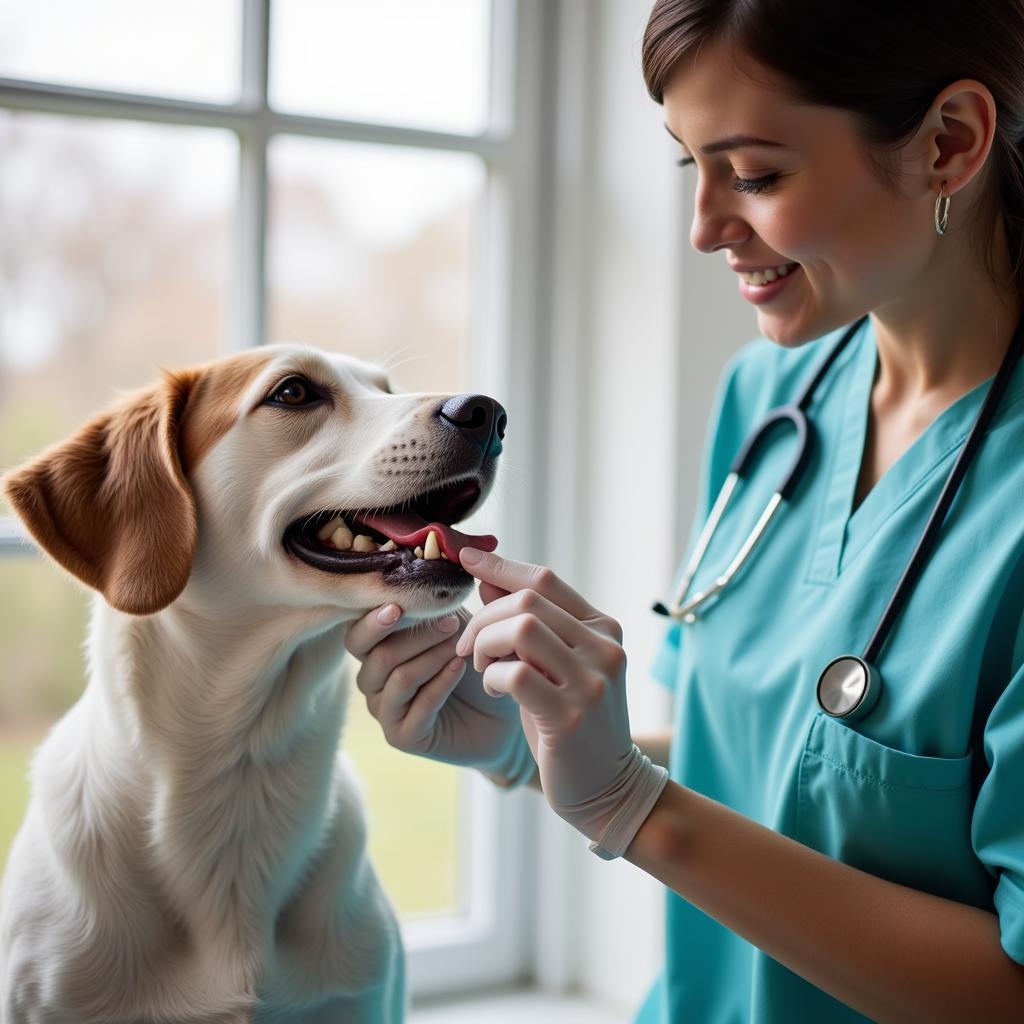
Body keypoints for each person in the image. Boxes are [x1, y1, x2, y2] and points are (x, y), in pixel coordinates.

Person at [344, 0, 1024, 1019]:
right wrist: (529, 738)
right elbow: (763, 762)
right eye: (686, 165)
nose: (705, 227)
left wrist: (632, 807)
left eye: (753, 174)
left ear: (948, 142)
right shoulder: (768, 405)